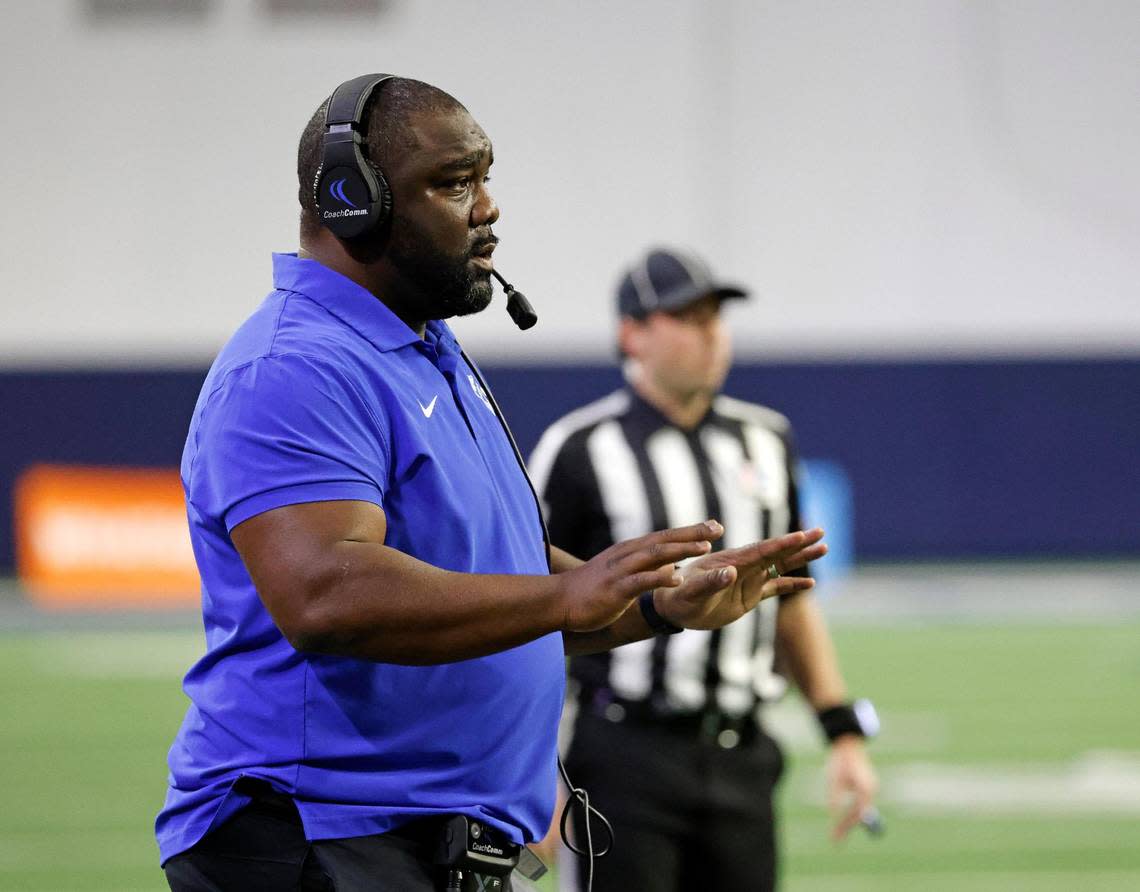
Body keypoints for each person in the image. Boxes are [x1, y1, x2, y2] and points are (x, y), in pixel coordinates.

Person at [154, 75, 827, 892]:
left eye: (484, 177)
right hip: (318, 835)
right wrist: (566, 600)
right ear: (350, 200)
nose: (488, 207)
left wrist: (651, 603)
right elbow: (327, 593)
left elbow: (484, 578)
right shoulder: (296, 366)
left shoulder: (420, 348)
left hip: (419, 843)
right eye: (453, 182)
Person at [528, 247, 879, 892]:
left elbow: (793, 600)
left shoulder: (767, 439)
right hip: (622, 751)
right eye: (685, 316)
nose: (710, 332)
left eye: (715, 315)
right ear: (631, 331)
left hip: (742, 753)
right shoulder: (578, 448)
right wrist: (531, 772)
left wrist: (842, 733)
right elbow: (533, 609)